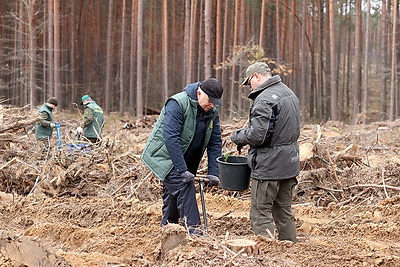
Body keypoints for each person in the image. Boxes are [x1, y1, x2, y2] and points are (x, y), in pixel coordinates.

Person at [142, 78, 223, 234]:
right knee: (183, 186)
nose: (212, 105)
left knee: (173, 194)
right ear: (199, 93)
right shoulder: (177, 103)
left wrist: (214, 171)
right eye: (210, 101)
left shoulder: (212, 110)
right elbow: (170, 138)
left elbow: (215, 141)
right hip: (164, 156)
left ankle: (168, 230)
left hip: (184, 157)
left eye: (215, 102)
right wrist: (182, 169)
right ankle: (195, 233)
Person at [231, 62, 300, 242]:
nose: (250, 87)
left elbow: (257, 136)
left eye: (249, 82)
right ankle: (290, 249)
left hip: (269, 166)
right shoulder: (289, 93)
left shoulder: (265, 98)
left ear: (256, 77)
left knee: (260, 213)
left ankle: (268, 256)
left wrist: (238, 136)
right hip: (289, 163)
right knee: (284, 211)